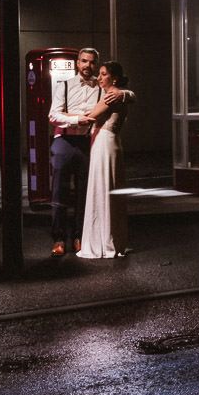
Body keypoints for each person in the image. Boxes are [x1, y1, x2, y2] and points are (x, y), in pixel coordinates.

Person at [47, 48, 132, 256]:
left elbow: (123, 94)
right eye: (84, 61)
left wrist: (125, 92)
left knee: (86, 192)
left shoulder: (102, 87)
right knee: (59, 191)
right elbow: (53, 115)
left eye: (92, 62)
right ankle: (59, 238)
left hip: (88, 141)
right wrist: (77, 119)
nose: (88, 66)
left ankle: (79, 236)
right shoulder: (64, 85)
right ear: (77, 63)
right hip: (65, 140)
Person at [77, 61, 130, 259]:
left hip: (103, 144)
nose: (99, 77)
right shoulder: (119, 94)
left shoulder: (111, 95)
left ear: (113, 78)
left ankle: (102, 241)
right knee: (109, 190)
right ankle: (114, 239)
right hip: (110, 142)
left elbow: (91, 116)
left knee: (102, 189)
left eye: (103, 74)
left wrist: (65, 114)